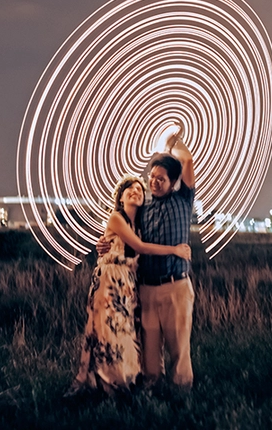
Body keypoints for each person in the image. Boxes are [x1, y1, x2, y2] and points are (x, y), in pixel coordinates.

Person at [67, 175, 191, 396]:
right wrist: (175, 250)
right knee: (108, 332)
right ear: (120, 197)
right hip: (110, 283)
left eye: (139, 190)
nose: (136, 192)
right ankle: (107, 385)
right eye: (129, 189)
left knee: (126, 334)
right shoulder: (116, 218)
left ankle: (125, 380)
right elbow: (140, 247)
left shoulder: (140, 222)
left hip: (129, 286)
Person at [97, 126, 196, 388]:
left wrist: (170, 142)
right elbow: (128, 237)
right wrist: (105, 244)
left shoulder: (183, 200)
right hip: (146, 289)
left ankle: (182, 402)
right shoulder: (144, 207)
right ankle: (151, 405)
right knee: (150, 360)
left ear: (173, 182)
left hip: (176, 285)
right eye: (151, 177)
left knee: (179, 354)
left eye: (161, 178)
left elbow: (186, 160)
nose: (154, 182)